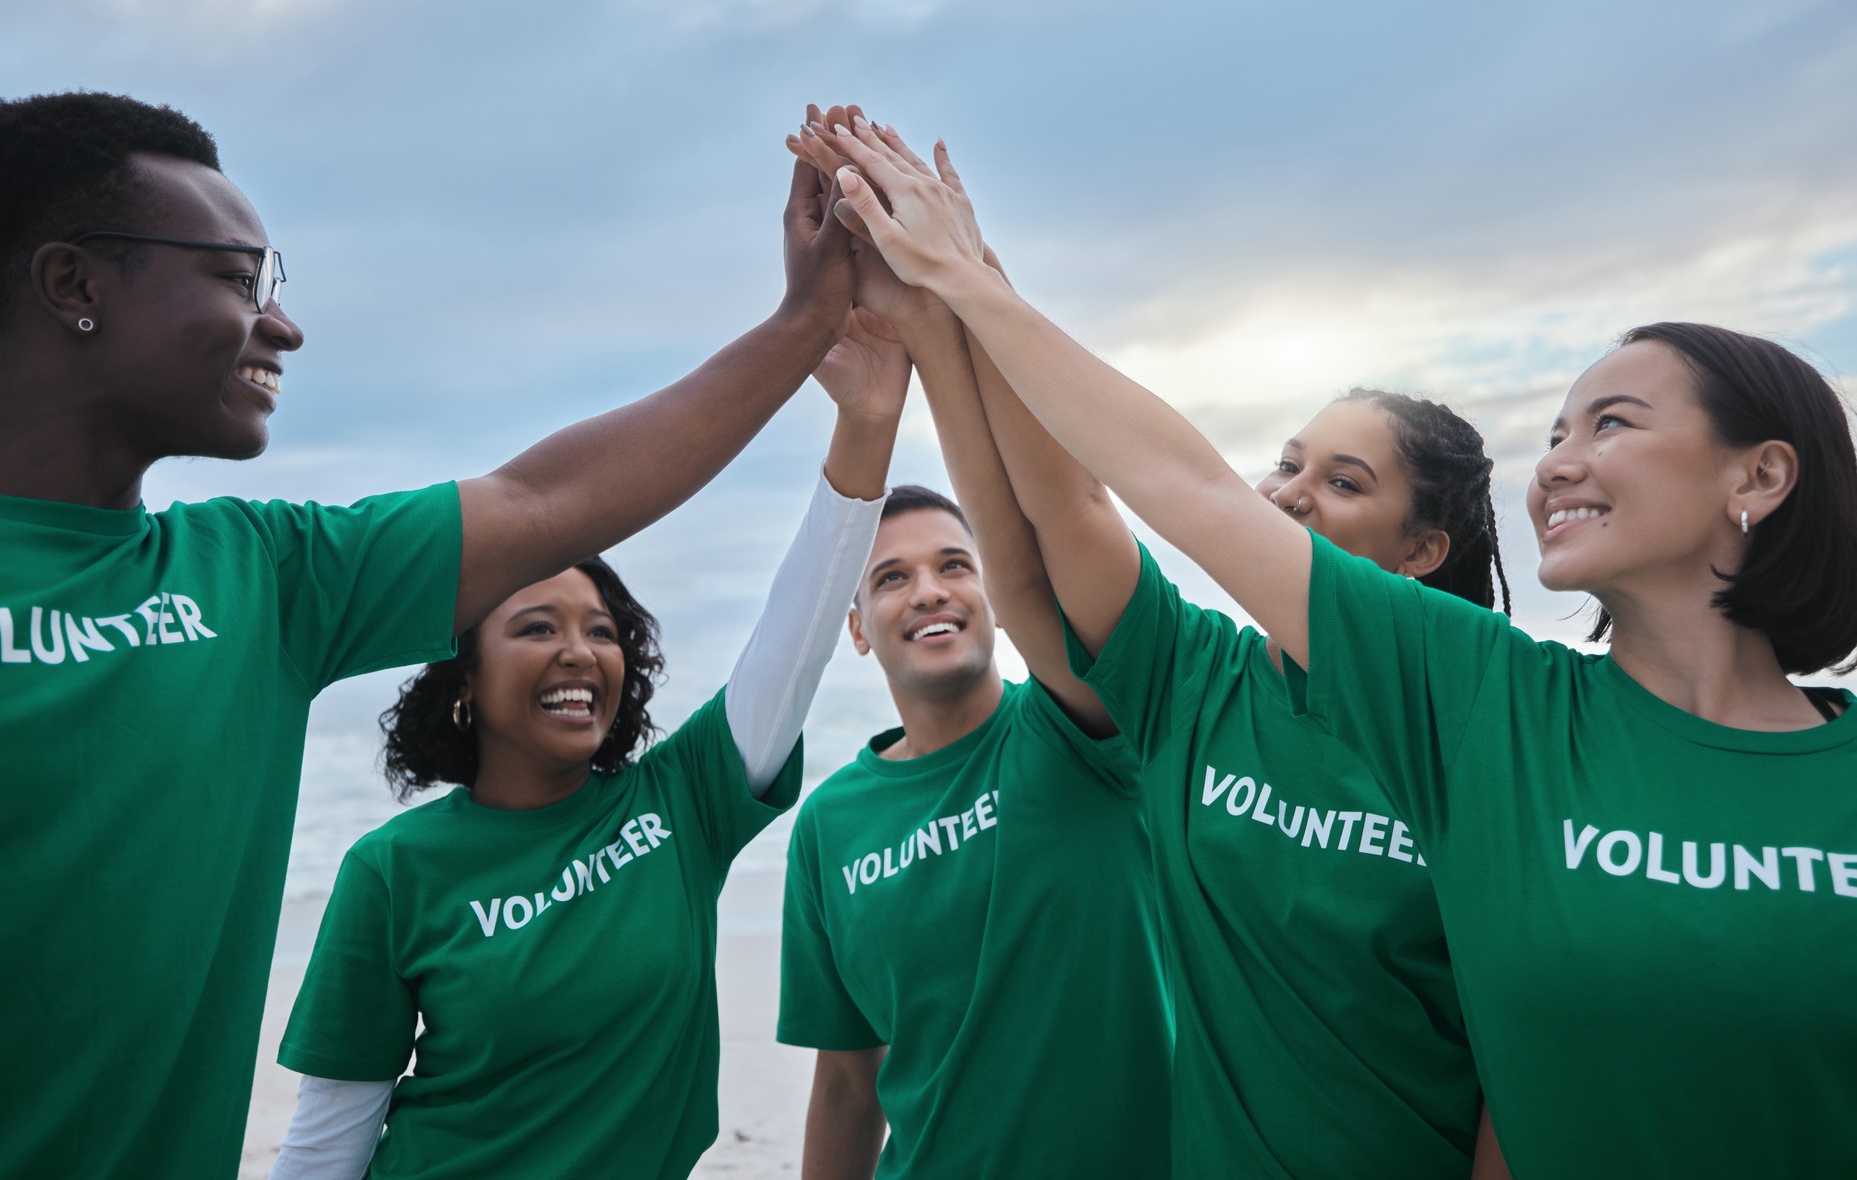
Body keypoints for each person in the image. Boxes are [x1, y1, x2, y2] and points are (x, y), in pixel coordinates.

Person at [820, 117, 1857, 1178]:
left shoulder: (1475, 705)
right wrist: (950, 296)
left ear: (1760, 477)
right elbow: (1100, 511)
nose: (1555, 469)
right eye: (1552, 437)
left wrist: (962, 286)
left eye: (1611, 426)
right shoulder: (1481, 703)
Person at [0, 91, 851, 1179]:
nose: (281, 324)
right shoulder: (391, 862)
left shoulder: (263, 576)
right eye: (236, 279)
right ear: (74, 284)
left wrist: (809, 320)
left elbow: (549, 498)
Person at [794, 113, 1511, 1178]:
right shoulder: (1199, 681)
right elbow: (1051, 525)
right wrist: (940, 307)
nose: (1290, 496)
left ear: (1423, 549)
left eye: (1346, 482)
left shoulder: (1482, 726)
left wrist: (965, 282)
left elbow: (1520, 1058)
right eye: (1289, 463)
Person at [268, 302, 904, 1178]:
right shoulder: (394, 869)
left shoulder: (684, 804)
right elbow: (331, 1130)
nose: (578, 650)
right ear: (465, 683)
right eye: (535, 627)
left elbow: (793, 637)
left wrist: (866, 420)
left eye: (601, 630)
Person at [776, 113, 1171, 1175]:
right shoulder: (832, 824)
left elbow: (1055, 508)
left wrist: (948, 294)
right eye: (891, 577)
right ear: (856, 628)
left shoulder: (1088, 728)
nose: (931, 590)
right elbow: (849, 1080)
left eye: (955, 563)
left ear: (994, 591)